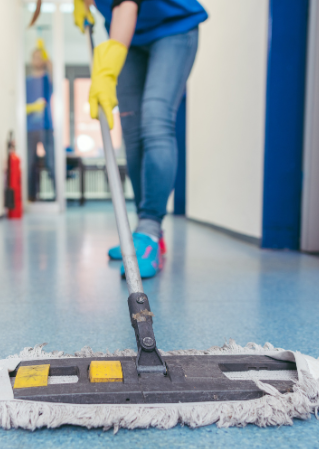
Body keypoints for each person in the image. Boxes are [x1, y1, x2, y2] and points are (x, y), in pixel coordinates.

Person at [75, 0, 207, 278]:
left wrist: (108, 70)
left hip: (174, 27)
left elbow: (126, 5)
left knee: (156, 120)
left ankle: (149, 228)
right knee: (132, 133)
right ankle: (143, 233)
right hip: (131, 35)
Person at [25, 39, 55, 201]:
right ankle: (31, 196)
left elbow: (52, 69)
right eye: (34, 56)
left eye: (40, 56)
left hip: (46, 126)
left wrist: (45, 50)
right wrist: (30, 108)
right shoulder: (26, 81)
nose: (37, 59)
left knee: (51, 161)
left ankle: (58, 196)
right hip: (30, 128)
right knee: (30, 163)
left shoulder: (46, 79)